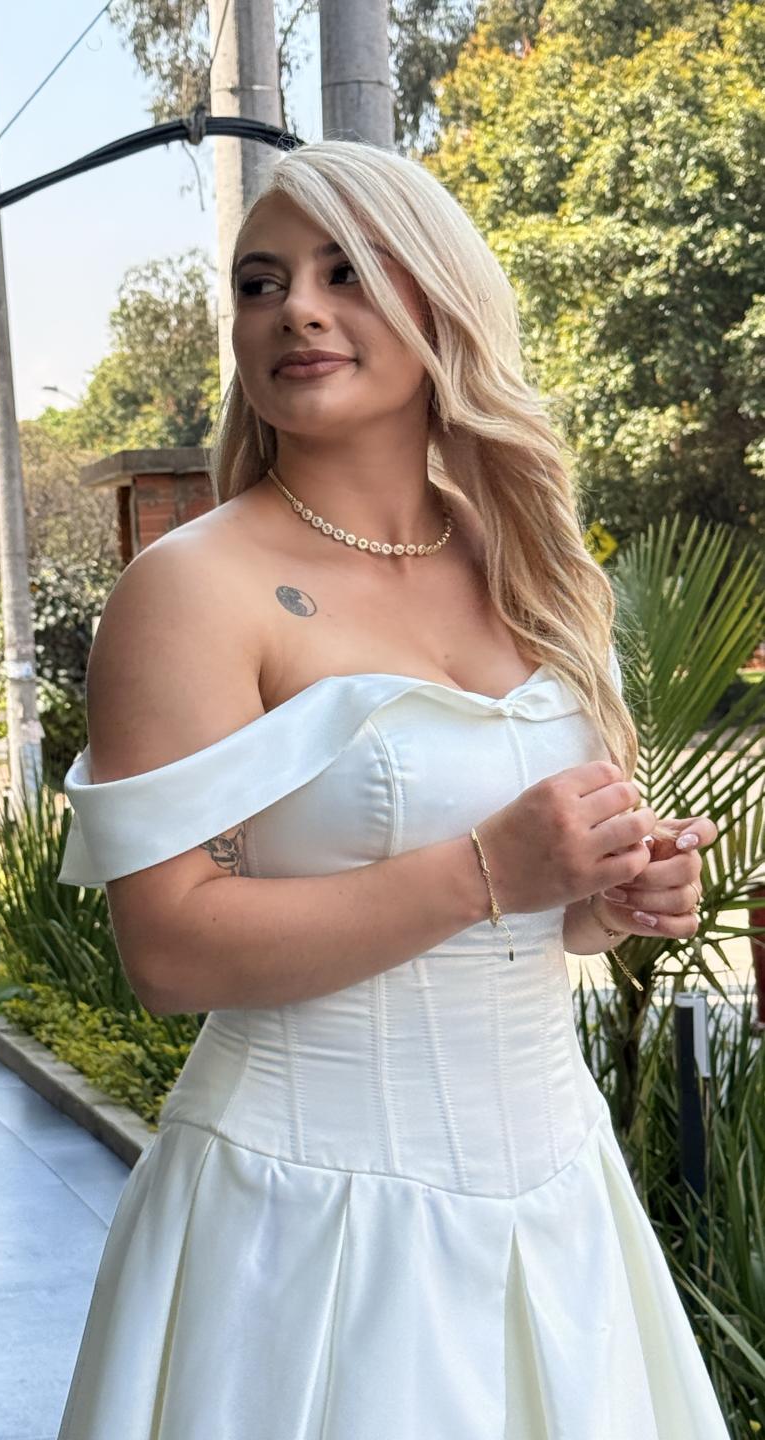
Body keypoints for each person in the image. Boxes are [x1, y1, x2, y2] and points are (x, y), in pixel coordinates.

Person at [55, 139, 729, 1439]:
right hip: (301, 1227)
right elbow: (167, 949)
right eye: (261, 283)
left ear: (441, 299)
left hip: (559, 1212)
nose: (296, 310)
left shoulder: (539, 571)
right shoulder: (191, 588)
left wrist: (612, 896)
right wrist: (486, 873)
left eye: (347, 272)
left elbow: (556, 913)